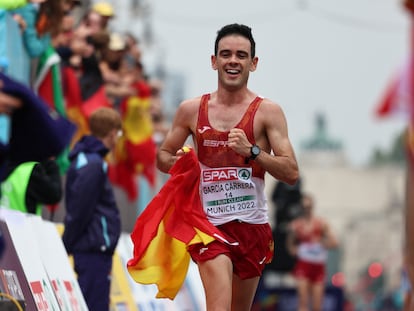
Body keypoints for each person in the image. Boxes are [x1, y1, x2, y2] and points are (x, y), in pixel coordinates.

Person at [156, 23, 299, 311]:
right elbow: (162, 156)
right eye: (226, 54)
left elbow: (291, 172)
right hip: (208, 225)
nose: (233, 60)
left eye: (241, 55)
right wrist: (183, 164)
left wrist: (253, 151)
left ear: (253, 63)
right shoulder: (191, 110)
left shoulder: (268, 112)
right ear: (214, 61)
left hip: (252, 228)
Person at [62, 107, 122, 311]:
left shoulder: (89, 160)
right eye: (119, 134)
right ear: (112, 133)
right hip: (93, 250)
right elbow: (80, 211)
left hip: (91, 249)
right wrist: (66, 244)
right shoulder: (93, 164)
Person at [286, 193, 338, 311]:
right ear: (301, 208)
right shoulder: (297, 225)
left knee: (316, 306)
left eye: (308, 207)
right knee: (303, 302)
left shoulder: (321, 224)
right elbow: (290, 244)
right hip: (304, 266)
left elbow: (335, 242)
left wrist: (321, 242)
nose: (307, 210)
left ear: (312, 207)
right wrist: (294, 250)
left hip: (318, 267)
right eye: (304, 208)